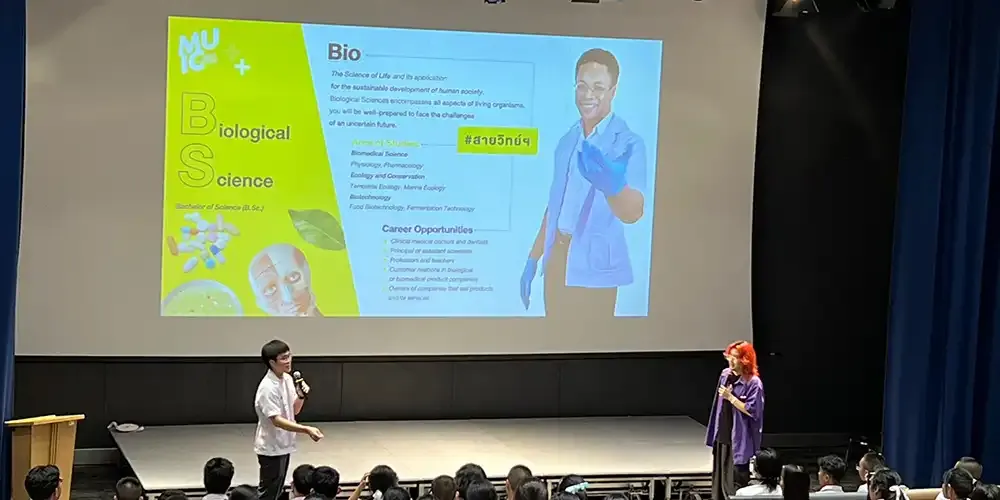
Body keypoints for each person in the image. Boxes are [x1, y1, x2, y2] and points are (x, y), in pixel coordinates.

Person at [519, 48, 648, 318]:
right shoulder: (567, 140)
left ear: (613, 91)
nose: (588, 95)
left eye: (598, 87)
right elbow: (555, 206)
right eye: (582, 86)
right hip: (558, 263)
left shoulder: (629, 144)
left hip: (596, 270)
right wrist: (534, 256)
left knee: (593, 341)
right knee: (554, 339)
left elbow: (634, 212)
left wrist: (613, 187)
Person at [254, 339, 324, 500]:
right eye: (283, 358)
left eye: (289, 356)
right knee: (268, 492)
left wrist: (301, 396)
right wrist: (306, 429)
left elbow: (294, 410)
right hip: (271, 446)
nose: (288, 361)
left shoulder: (287, 379)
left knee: (277, 489)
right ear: (272, 362)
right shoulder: (267, 387)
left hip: (284, 444)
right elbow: (276, 420)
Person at [706, 341, 765, 500]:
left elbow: (753, 411)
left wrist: (731, 397)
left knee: (735, 483)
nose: (731, 361)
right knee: (719, 481)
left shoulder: (753, 383)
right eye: (729, 357)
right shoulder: (725, 375)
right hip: (723, 436)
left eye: (736, 357)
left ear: (745, 360)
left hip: (740, 440)